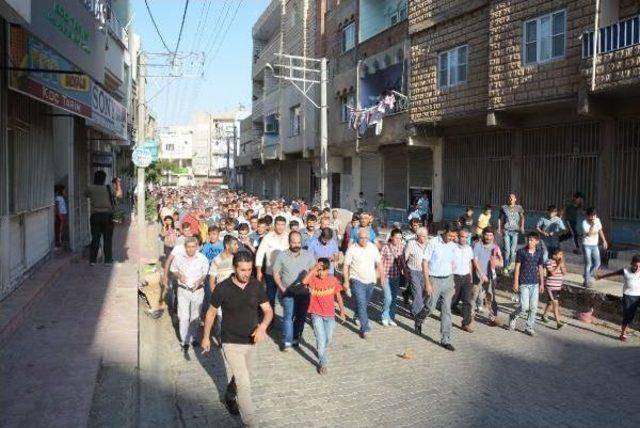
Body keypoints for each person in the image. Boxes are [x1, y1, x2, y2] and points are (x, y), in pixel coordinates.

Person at [201, 252, 273, 428]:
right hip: (230, 341)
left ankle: (229, 395)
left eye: (249, 269)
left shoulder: (256, 285)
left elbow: (268, 311)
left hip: (251, 341)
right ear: (234, 268)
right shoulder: (223, 288)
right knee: (245, 384)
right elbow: (210, 313)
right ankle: (251, 423)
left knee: (242, 376)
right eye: (243, 270)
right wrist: (206, 337)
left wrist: (262, 327)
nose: (246, 273)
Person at [272, 231, 316, 350]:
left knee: (300, 317)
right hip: (288, 291)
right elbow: (275, 273)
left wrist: (311, 287)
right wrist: (281, 287)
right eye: (293, 242)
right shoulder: (281, 255)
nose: (296, 245)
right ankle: (287, 341)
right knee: (288, 316)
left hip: (303, 293)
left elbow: (313, 271)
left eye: (298, 242)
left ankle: (296, 337)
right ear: (289, 242)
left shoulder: (308, 255)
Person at [302, 258, 346, 374]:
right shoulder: (313, 279)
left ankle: (322, 351)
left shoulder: (333, 280)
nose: (321, 273)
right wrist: (314, 268)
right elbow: (304, 281)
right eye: (319, 270)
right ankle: (323, 363)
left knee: (327, 339)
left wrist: (342, 311)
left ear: (328, 270)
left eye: (323, 270)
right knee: (321, 340)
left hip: (330, 316)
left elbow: (338, 296)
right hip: (316, 314)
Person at [420, 224, 458, 351]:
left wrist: (452, 281)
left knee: (446, 310)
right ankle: (419, 319)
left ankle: (445, 339)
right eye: (450, 235)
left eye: (454, 236)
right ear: (445, 232)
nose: (452, 238)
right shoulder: (433, 242)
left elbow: (454, 262)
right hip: (434, 279)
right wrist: (427, 282)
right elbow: (424, 262)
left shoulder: (453, 245)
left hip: (448, 280)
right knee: (430, 307)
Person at [343, 228, 383, 339]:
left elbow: (379, 263)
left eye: (366, 238)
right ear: (357, 238)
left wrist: (382, 278)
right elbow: (346, 266)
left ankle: (357, 315)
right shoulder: (352, 249)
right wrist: (346, 281)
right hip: (356, 280)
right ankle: (365, 328)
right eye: (361, 238)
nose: (364, 240)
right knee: (361, 303)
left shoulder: (373, 248)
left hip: (370, 280)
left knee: (364, 304)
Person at [170, 237, 209, 351]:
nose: (191, 249)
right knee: (183, 317)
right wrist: (179, 276)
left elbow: (204, 273)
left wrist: (200, 280)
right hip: (183, 290)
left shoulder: (203, 258)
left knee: (195, 316)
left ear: (197, 247)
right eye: (188, 247)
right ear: (185, 247)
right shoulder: (178, 258)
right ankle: (184, 341)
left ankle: (193, 337)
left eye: (193, 247)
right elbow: (173, 270)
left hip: (198, 290)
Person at [508, 232, 545, 336]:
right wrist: (515, 282)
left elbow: (541, 268)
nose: (530, 242)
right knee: (524, 307)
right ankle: (513, 316)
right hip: (524, 282)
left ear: (537, 241)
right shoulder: (521, 252)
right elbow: (517, 267)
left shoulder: (539, 252)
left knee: (533, 307)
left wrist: (542, 283)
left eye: (532, 240)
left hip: (535, 283)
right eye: (528, 240)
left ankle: (529, 327)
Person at [596, 255, 640, 342]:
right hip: (628, 296)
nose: (638, 268)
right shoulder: (625, 271)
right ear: (632, 264)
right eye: (636, 266)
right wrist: (601, 277)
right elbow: (613, 274)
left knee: (631, 316)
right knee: (628, 316)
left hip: (639, 296)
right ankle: (623, 333)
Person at [85, 171, 122, 266]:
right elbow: (119, 195)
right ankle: (108, 261)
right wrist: (118, 183)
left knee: (95, 238)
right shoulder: (108, 188)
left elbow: (85, 194)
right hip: (107, 216)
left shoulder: (90, 188)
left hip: (95, 216)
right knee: (107, 239)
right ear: (104, 179)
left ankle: (92, 260)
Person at [255, 216, 290, 310]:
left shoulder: (288, 236)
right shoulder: (268, 237)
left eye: (282, 225)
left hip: (285, 272)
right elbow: (260, 254)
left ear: (285, 225)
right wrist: (259, 271)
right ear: (274, 225)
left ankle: (287, 320)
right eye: (278, 224)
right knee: (270, 297)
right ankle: (270, 320)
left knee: (287, 297)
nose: (280, 227)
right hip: (270, 272)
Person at [472, 227, 504, 326]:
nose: (488, 237)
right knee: (473, 296)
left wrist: (497, 261)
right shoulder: (477, 245)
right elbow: (475, 261)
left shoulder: (495, 248)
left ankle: (492, 317)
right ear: (483, 235)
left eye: (490, 235)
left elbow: (501, 263)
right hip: (477, 275)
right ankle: (469, 317)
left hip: (490, 276)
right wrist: (481, 273)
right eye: (486, 235)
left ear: (493, 237)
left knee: (490, 296)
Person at [454, 229, 482, 332]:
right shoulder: (453, 248)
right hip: (455, 276)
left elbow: (470, 263)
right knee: (452, 299)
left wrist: (470, 277)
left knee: (467, 301)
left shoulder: (469, 249)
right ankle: (445, 312)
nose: (464, 239)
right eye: (462, 237)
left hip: (466, 277)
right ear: (458, 236)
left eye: (466, 237)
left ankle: (466, 323)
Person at [380, 228, 405, 327]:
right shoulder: (386, 247)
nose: (398, 240)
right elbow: (380, 262)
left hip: (396, 276)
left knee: (394, 298)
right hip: (386, 276)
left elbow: (403, 261)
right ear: (391, 237)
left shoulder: (403, 247)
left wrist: (406, 272)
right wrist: (381, 276)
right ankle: (384, 316)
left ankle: (391, 317)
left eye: (400, 238)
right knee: (388, 297)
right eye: (396, 238)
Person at [404, 227, 429, 317]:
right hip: (413, 271)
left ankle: (414, 308)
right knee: (417, 291)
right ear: (418, 236)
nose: (425, 238)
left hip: (424, 272)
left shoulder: (428, 245)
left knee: (423, 293)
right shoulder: (411, 244)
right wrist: (405, 270)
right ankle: (417, 313)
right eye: (423, 236)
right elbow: (405, 257)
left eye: (426, 236)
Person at [498, 193, 525, 274]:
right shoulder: (504, 207)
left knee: (513, 251)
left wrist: (522, 227)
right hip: (506, 230)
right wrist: (499, 228)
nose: (510, 199)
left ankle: (511, 266)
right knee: (507, 250)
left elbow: (523, 217)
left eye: (512, 198)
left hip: (515, 232)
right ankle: (505, 267)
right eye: (509, 198)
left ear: (515, 199)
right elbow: (500, 218)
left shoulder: (519, 207)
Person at [582, 207, 608, 287]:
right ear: (587, 216)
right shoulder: (584, 223)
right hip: (586, 245)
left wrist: (604, 241)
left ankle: (587, 275)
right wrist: (592, 225)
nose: (593, 217)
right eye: (591, 216)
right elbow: (589, 234)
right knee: (588, 263)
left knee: (597, 263)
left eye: (594, 215)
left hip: (595, 245)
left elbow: (600, 230)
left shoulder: (597, 220)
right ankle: (587, 281)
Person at [541, 248, 566, 330]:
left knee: (550, 303)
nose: (561, 257)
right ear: (554, 256)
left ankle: (544, 315)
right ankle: (558, 323)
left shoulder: (560, 263)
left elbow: (564, 272)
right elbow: (552, 273)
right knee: (555, 303)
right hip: (551, 287)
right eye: (559, 255)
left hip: (558, 287)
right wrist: (559, 265)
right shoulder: (549, 262)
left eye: (562, 255)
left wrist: (561, 265)